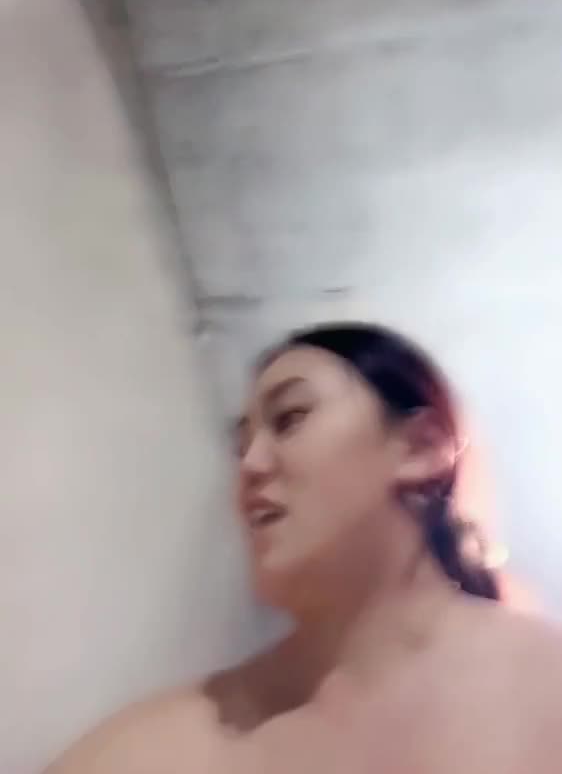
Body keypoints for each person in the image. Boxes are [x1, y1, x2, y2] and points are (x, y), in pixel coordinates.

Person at [47, 323, 562, 773]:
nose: (250, 465)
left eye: (290, 417)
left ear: (420, 447)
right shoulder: (165, 744)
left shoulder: (543, 687)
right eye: (240, 446)